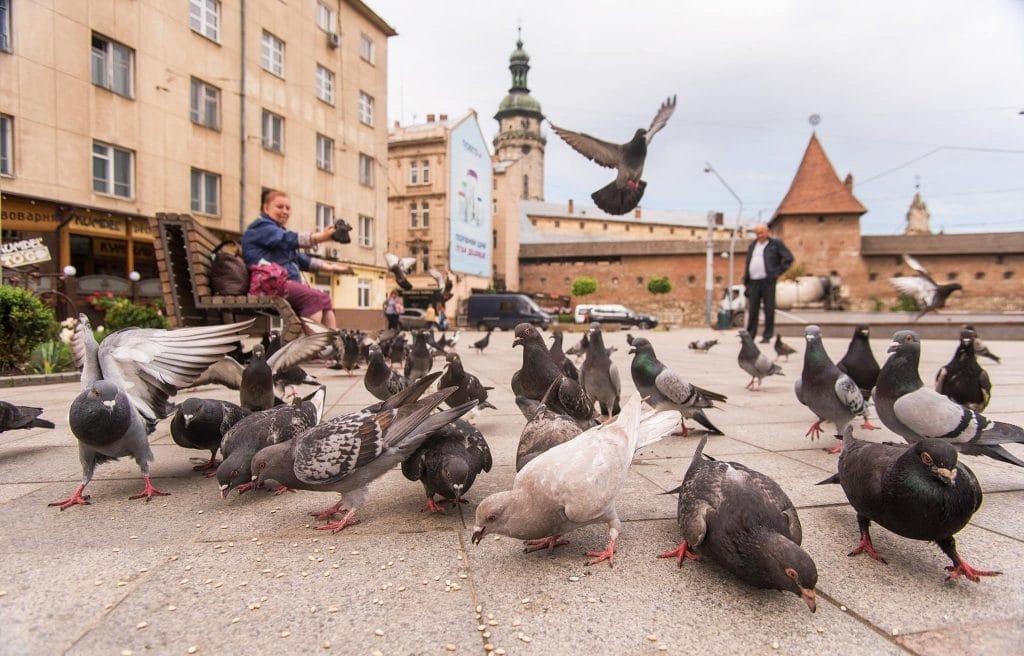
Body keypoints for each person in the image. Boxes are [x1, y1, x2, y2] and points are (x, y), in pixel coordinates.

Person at [241, 189, 347, 329]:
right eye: (279, 207)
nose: (285, 211)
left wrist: (330, 267)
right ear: (266, 208)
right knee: (313, 298)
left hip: (277, 283)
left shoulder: (276, 230)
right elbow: (287, 239)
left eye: (288, 208)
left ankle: (331, 343)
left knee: (324, 299)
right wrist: (321, 237)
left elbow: (297, 257)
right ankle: (311, 346)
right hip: (267, 285)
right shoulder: (262, 227)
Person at [742, 223, 794, 343]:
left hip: (768, 281)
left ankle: (767, 335)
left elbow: (788, 258)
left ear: (767, 232)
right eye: (757, 233)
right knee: (752, 309)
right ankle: (750, 335)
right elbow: (748, 262)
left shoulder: (775, 244)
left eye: (761, 233)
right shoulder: (753, 245)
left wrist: (776, 273)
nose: (759, 235)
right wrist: (746, 279)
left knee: (768, 309)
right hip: (753, 281)